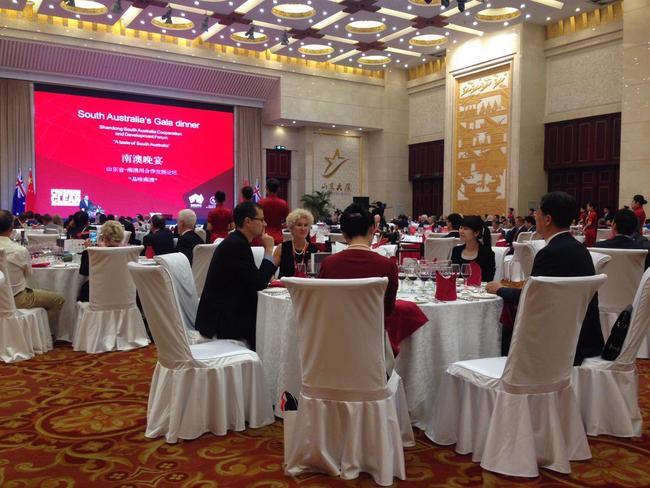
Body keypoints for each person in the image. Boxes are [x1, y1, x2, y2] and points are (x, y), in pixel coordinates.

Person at [486, 191, 603, 365]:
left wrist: (500, 289)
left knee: (502, 327)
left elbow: (532, 299)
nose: (535, 216)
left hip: (559, 345)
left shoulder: (548, 253)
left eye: (538, 213)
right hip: (585, 338)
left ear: (547, 219)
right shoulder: (581, 250)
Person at [195, 201, 277, 349]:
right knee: (271, 326)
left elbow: (249, 281)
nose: (265, 224)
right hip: (222, 321)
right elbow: (258, 284)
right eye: (261, 219)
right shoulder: (237, 246)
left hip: (223, 311)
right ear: (248, 221)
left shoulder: (236, 242)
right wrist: (269, 251)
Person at [318, 203, 398, 316]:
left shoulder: (329, 264)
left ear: (344, 234)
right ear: (372, 229)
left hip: (335, 331)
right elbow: (388, 311)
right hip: (373, 331)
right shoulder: (388, 265)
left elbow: (322, 302)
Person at [0, 209, 65, 324]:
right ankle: (36, 332)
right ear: (11, 228)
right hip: (17, 298)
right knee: (58, 300)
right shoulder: (19, 250)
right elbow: (29, 275)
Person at [78, 220, 125, 302]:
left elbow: (84, 273)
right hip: (123, 293)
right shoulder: (129, 252)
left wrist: (88, 250)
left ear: (104, 237)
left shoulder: (94, 253)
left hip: (97, 293)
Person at [273, 208, 317, 278]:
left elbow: (318, 276)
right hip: (284, 287)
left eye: (306, 225)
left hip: (306, 287)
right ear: (291, 228)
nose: (303, 228)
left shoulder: (314, 250)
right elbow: (270, 272)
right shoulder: (281, 248)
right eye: (299, 225)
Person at [450, 215, 496, 281]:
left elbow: (488, 280)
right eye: (461, 227)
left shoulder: (487, 254)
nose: (461, 231)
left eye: (465, 229)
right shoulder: (456, 251)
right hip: (459, 290)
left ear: (476, 233)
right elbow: (453, 276)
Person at [259, 178, 289, 245]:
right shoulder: (283, 203)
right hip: (278, 236)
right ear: (278, 189)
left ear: (266, 188)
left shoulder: (261, 203)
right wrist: (279, 226)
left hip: (264, 236)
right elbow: (288, 222)